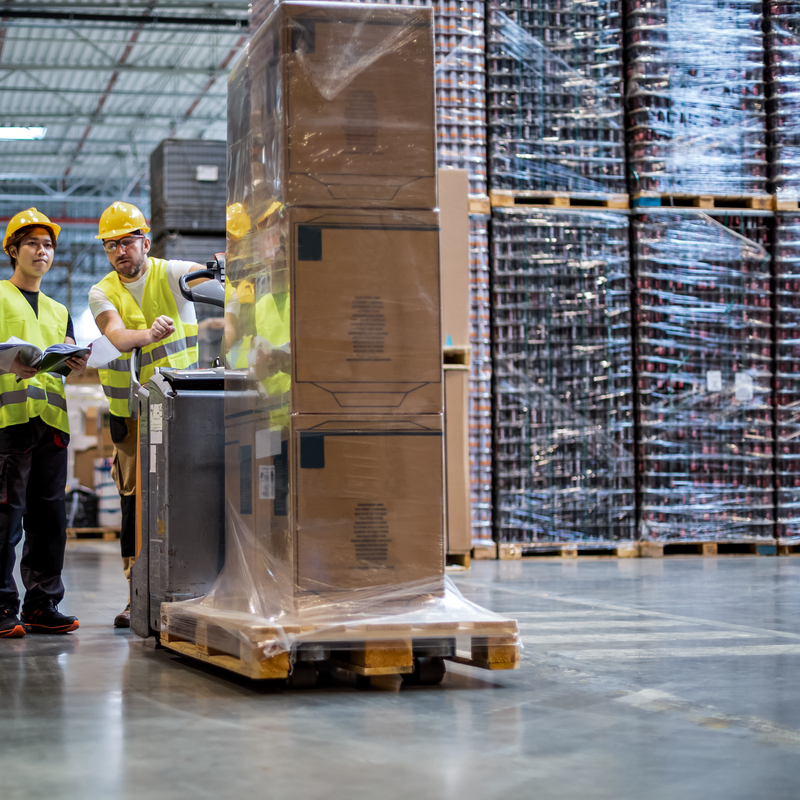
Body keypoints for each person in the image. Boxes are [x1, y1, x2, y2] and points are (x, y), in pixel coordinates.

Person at [89, 202, 205, 629]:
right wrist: (148, 334)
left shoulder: (172, 273)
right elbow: (117, 336)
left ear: (145, 241)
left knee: (187, 495)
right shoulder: (101, 291)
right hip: (132, 418)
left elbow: (209, 277)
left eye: (127, 241)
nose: (120, 251)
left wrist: (222, 268)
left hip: (182, 412)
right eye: (111, 244)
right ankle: (135, 594)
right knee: (135, 504)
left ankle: (192, 588)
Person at [0, 208, 90, 638]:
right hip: (10, 423)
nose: (43, 250)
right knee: (6, 519)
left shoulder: (58, 309)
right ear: (13, 251)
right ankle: (2, 604)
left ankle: (42, 604)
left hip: (52, 425)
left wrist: (75, 359)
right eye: (33, 243)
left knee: (49, 520)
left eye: (49, 244)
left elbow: (63, 361)